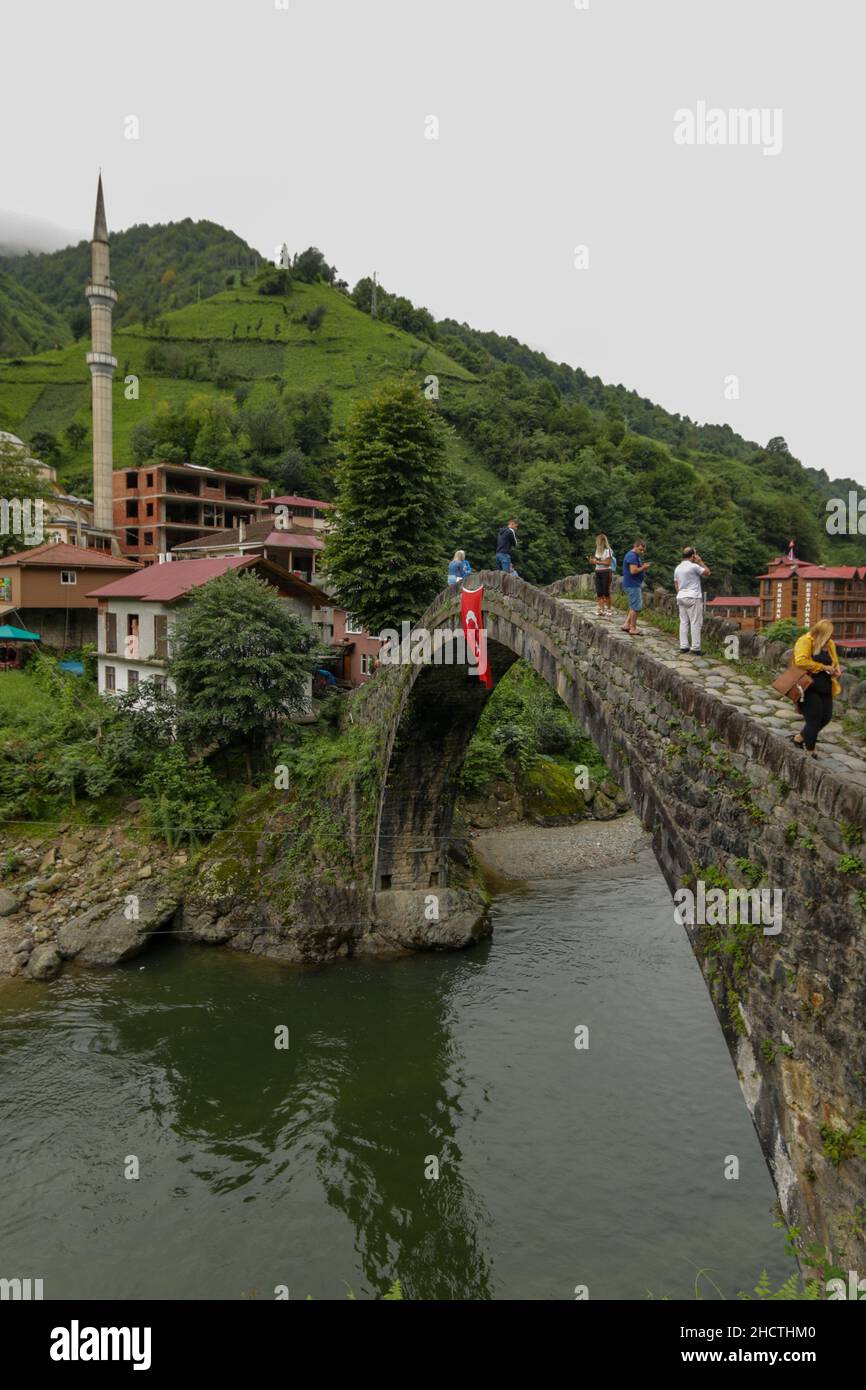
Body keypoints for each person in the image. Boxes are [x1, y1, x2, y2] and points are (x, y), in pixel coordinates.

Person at [791, 620, 842, 755]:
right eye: (829, 634)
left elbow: (834, 662)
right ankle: (810, 752)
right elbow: (800, 661)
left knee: (826, 718)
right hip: (808, 687)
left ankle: (799, 738)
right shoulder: (806, 640)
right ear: (822, 633)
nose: (831, 637)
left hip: (826, 687)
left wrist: (836, 669)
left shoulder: (829, 644)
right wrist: (823, 667)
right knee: (814, 720)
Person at [673, 546, 710, 654]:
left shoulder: (677, 568)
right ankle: (695, 647)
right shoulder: (694, 566)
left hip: (681, 596)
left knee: (684, 622)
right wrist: (700, 561)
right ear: (693, 556)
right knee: (695, 622)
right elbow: (707, 572)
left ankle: (683, 646)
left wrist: (681, 592)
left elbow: (676, 584)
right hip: (693, 597)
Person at [620, 539, 651, 634]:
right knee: (636, 607)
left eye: (643, 550)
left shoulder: (634, 555)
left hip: (632, 584)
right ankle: (633, 628)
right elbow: (633, 571)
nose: (641, 552)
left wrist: (642, 567)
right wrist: (644, 567)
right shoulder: (632, 556)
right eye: (640, 549)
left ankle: (626, 625)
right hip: (632, 585)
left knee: (633, 605)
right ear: (635, 546)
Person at [586, 533, 613, 617]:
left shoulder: (608, 550)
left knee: (606, 592)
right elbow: (598, 562)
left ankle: (609, 609)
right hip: (598, 572)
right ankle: (601, 609)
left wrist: (596, 561)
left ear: (601, 541)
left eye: (597, 541)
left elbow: (608, 563)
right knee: (599, 592)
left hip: (606, 572)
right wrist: (592, 561)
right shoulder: (597, 550)